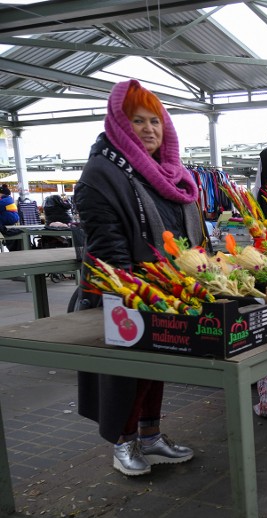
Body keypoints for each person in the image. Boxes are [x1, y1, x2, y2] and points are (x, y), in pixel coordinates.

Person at [74, 79, 207, 476]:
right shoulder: (102, 173)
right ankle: (123, 442)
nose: (149, 129)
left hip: (168, 288)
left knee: (157, 370)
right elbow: (107, 244)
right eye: (137, 121)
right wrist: (136, 290)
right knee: (127, 374)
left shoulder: (169, 175)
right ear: (119, 124)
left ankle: (150, 436)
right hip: (125, 290)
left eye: (155, 121)